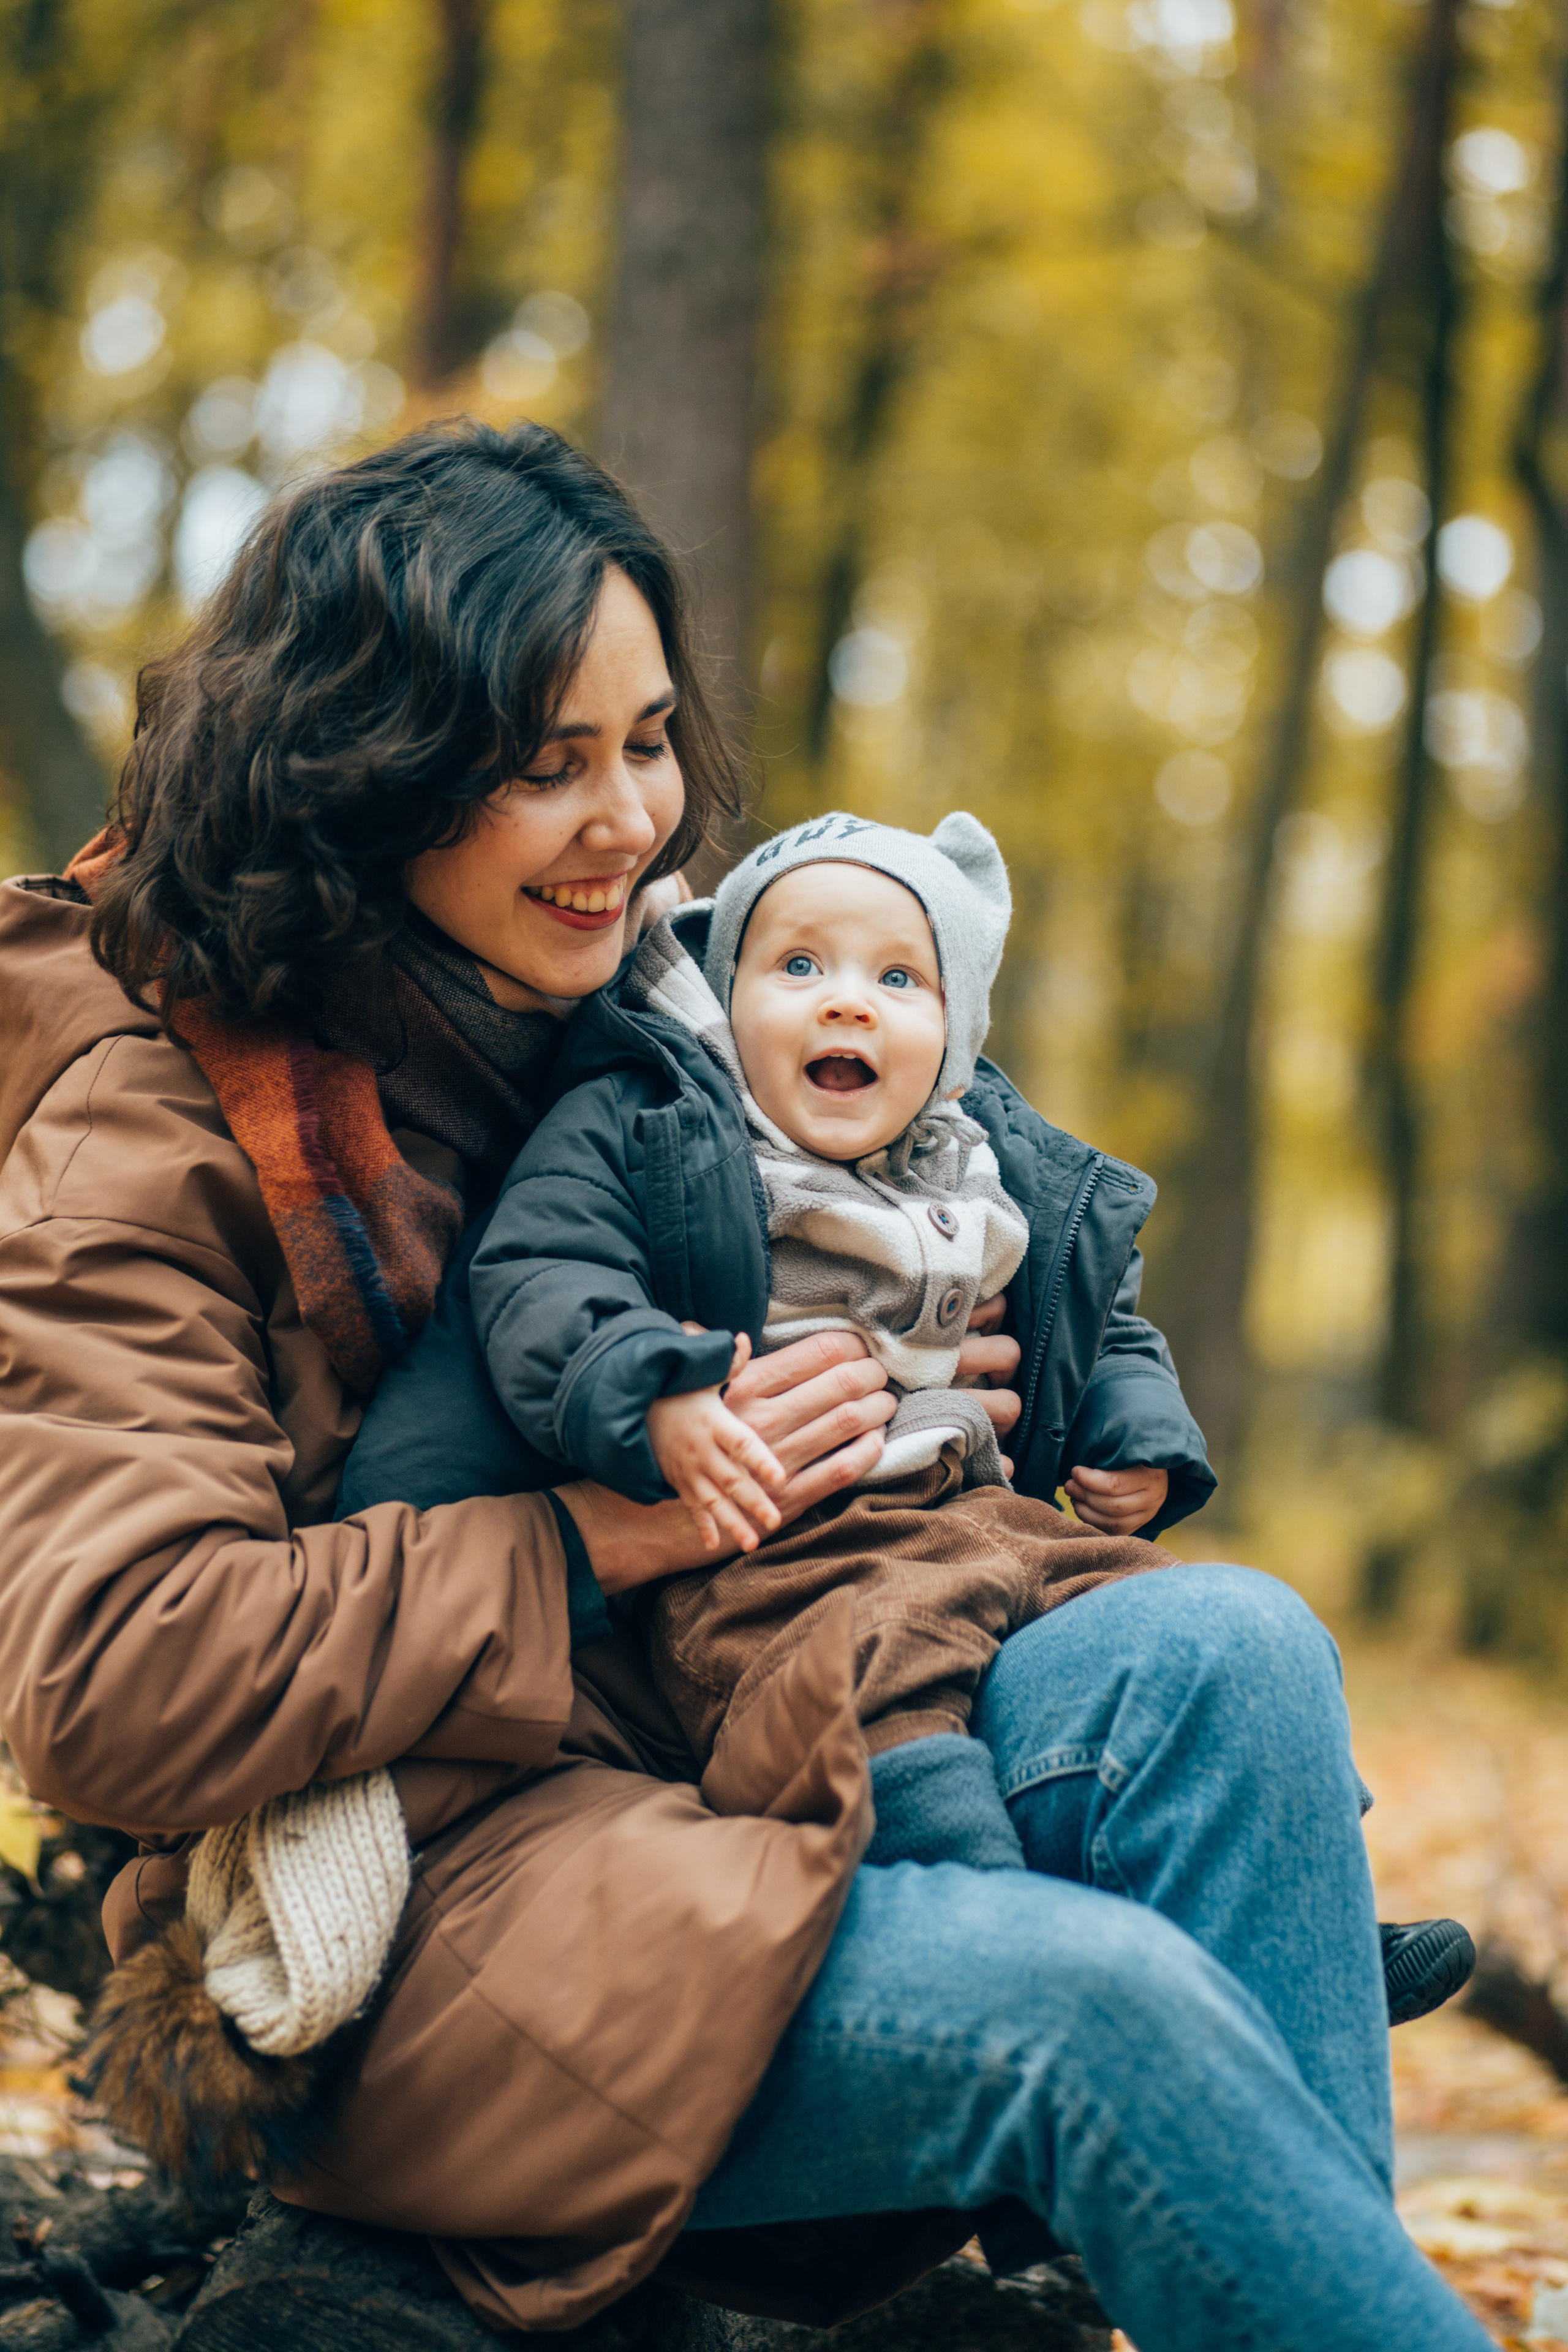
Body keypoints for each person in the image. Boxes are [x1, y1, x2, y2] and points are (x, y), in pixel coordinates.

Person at [0, 418, 1493, 2352]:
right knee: (1091, 2005)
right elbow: (112, 1677)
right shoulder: (147, 1109)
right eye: (547, 766)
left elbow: (926, 1237)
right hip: (416, 1913)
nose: (633, 820)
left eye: (645, 743)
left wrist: (979, 1388)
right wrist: (603, 1525)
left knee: (1235, 1655)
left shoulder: (629, 1013)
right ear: (364, 776)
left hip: (735, 1737)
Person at [354, 807, 1214, 1874]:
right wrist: (657, 1393)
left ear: (955, 1043)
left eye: (900, 979)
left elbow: (1106, 1320)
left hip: (988, 1518)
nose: (848, 998)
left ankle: (1273, 1876)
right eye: (799, 964)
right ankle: (982, 1899)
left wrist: (1140, 1439)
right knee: (881, 1690)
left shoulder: (980, 1166)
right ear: (727, 1001)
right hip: (780, 1564)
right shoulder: (655, 1124)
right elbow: (544, 1273)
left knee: (1176, 1620)